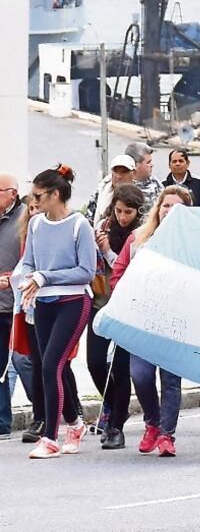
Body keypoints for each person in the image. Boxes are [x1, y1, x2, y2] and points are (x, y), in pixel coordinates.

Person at [20, 165, 97, 459]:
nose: (34, 201)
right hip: (43, 303)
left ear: (55, 194)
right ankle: (75, 424)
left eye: (39, 195)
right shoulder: (37, 224)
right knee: (55, 366)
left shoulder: (80, 225)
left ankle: (50, 438)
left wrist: (45, 277)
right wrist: (29, 279)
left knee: (51, 364)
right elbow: (28, 261)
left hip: (74, 303)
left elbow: (86, 272)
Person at [110, 186, 191, 458]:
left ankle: (167, 435)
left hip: (175, 321)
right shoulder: (138, 240)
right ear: (158, 208)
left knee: (170, 381)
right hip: (142, 320)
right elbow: (117, 275)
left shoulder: (193, 244)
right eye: (166, 205)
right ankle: (152, 422)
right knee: (141, 375)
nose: (170, 211)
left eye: (177, 207)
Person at [88, 183, 145, 450]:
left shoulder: (141, 235)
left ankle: (116, 427)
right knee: (96, 363)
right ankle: (111, 404)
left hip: (127, 308)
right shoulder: (103, 227)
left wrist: (109, 250)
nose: (123, 217)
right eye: (119, 211)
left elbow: (130, 272)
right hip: (100, 303)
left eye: (128, 212)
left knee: (121, 369)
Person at [0, 173, 26, 438]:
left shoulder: (24, 220)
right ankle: (2, 421)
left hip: (17, 304)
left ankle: (46, 413)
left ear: (12, 194)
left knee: (25, 362)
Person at [84, 154, 136, 227]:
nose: (119, 176)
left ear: (133, 173)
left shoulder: (139, 196)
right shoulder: (101, 191)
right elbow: (89, 218)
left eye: (124, 172)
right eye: (116, 171)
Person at [124, 142, 164, 216]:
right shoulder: (120, 185)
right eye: (148, 162)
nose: (152, 165)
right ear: (135, 165)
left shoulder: (155, 182)